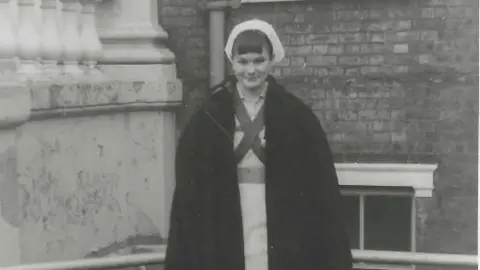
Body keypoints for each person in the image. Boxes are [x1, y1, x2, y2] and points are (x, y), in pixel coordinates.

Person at [165, 19, 353, 270]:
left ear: (271, 60)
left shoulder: (296, 115)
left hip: (281, 227)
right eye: (242, 62)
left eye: (258, 61)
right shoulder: (208, 117)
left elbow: (321, 190)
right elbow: (190, 194)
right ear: (232, 63)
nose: (250, 70)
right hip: (228, 223)